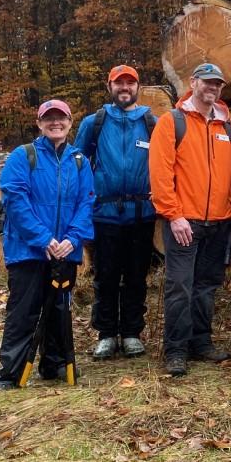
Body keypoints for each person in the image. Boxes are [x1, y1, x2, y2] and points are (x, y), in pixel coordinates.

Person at [149, 63, 231, 377]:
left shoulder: (227, 127)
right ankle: (176, 350)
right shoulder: (171, 122)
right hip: (184, 223)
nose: (212, 88)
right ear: (193, 83)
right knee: (180, 287)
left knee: (206, 287)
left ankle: (201, 342)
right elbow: (160, 175)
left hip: (219, 223)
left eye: (217, 84)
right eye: (207, 82)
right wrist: (173, 216)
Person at [0, 99, 95, 388]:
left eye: (60, 118)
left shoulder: (79, 161)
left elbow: (86, 203)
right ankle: (11, 371)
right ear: (39, 123)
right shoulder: (23, 156)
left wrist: (72, 239)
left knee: (59, 309)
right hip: (28, 251)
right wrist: (45, 240)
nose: (55, 123)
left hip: (65, 251)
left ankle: (55, 363)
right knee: (23, 311)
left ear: (70, 122)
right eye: (48, 118)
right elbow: (15, 201)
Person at [73, 64, 156, 361]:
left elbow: (164, 165)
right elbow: (77, 164)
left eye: (130, 83)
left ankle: (132, 332)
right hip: (105, 213)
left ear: (138, 87)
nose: (125, 88)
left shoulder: (150, 122)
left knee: (136, 276)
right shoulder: (94, 122)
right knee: (106, 276)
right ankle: (106, 334)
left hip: (141, 213)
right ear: (109, 87)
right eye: (119, 83)